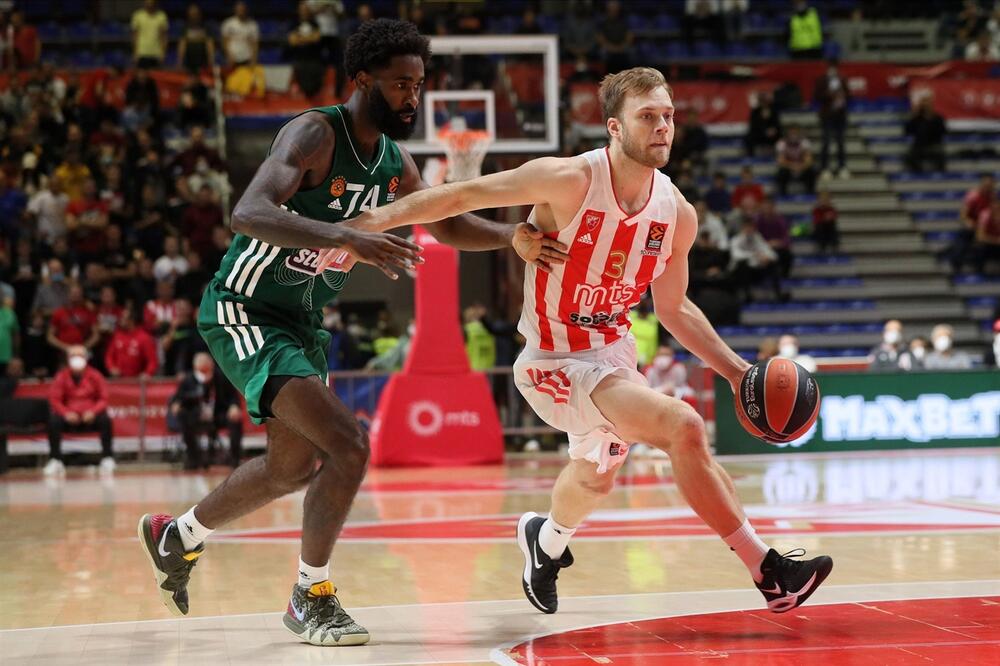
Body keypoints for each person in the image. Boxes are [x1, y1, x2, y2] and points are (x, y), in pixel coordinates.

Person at [342, 66, 833, 617]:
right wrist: (366, 223)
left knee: (594, 479)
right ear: (614, 128)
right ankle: (768, 571)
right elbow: (462, 194)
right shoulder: (568, 179)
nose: (663, 127)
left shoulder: (677, 214)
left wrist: (738, 371)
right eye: (647, 116)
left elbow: (674, 309)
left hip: (614, 358)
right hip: (552, 362)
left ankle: (546, 541)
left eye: (668, 116)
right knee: (684, 425)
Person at [137, 18, 557, 647]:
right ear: (362, 80)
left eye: (418, 85)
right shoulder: (315, 133)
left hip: (303, 322)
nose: (412, 97)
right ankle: (311, 595)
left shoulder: (394, 161)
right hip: (246, 309)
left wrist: (510, 237)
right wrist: (345, 236)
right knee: (350, 444)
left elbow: (443, 224)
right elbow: (248, 211)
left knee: (291, 468)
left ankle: (178, 536)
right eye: (400, 84)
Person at [45, 345, 115, 476]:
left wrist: (93, 411)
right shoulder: (61, 376)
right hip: (69, 416)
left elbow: (104, 398)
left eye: (80, 356)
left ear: (86, 358)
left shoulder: (95, 375)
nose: (77, 359)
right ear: (68, 359)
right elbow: (55, 399)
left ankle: (107, 458)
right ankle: (55, 459)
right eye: (73, 356)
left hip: (90, 416)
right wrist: (66, 413)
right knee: (53, 421)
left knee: (105, 420)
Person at [169, 352, 243, 468]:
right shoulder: (188, 379)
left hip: (217, 416)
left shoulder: (221, 377)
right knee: (184, 418)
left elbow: (233, 397)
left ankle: (235, 459)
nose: (204, 374)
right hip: (196, 416)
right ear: (195, 368)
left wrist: (234, 406)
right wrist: (176, 404)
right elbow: (177, 398)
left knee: (235, 420)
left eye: (207, 370)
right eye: (201, 370)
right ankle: (193, 459)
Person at [729, 218, 784, 302]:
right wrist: (754, 255)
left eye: (751, 227)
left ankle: (778, 294)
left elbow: (773, 255)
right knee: (742, 265)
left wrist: (767, 257)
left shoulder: (757, 238)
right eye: (747, 227)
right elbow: (736, 255)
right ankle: (747, 295)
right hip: (741, 272)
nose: (749, 230)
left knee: (773, 264)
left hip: (756, 270)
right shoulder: (736, 239)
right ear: (742, 228)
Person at [950, 173, 995, 273]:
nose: (988, 187)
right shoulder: (973, 196)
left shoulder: (993, 197)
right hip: (973, 227)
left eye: (990, 185)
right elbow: (963, 215)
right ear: (981, 184)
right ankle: (956, 264)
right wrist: (969, 223)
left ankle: (980, 267)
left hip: (986, 228)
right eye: (986, 185)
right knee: (964, 235)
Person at [813, 60, 849, 179]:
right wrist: (827, 94)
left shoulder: (842, 79)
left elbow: (849, 95)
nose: (833, 70)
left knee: (840, 142)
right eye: (830, 67)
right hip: (827, 116)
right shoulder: (822, 80)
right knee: (826, 142)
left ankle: (842, 167)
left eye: (834, 67)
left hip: (840, 115)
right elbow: (816, 96)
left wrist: (843, 95)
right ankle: (824, 168)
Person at [104, 309, 159, 378]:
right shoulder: (117, 336)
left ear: (131, 320)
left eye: (123, 318)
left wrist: (147, 373)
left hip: (136, 380)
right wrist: (111, 368)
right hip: (118, 379)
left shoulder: (144, 338)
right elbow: (109, 356)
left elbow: (152, 361)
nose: (120, 320)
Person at [904, 95, 947, 174]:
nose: (926, 106)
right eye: (924, 104)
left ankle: (940, 175)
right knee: (909, 156)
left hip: (934, 145)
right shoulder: (917, 118)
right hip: (919, 146)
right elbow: (907, 131)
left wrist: (930, 119)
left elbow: (943, 132)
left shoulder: (938, 118)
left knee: (940, 156)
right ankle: (917, 174)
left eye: (927, 103)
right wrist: (914, 115)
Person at [775, 125, 817, 196]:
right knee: (781, 173)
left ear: (799, 133)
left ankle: (810, 193)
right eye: (792, 133)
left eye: (795, 133)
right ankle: (783, 195)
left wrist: (801, 167)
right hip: (788, 168)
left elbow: (809, 160)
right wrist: (793, 166)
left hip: (802, 167)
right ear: (788, 134)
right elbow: (780, 161)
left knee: (811, 172)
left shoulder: (805, 142)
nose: (793, 135)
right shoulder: (782, 143)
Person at [131, 0, 169, 69]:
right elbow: (135, 36)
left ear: (155, 3)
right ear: (144, 3)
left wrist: (163, 53)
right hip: (141, 53)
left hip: (157, 54)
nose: (149, 5)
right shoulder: (138, 15)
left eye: (151, 3)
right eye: (147, 3)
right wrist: (135, 53)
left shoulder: (161, 16)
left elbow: (164, 37)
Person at [745, 91, 782, 157]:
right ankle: (751, 157)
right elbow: (753, 126)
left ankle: (778, 157)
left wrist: (773, 130)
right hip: (759, 134)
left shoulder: (773, 110)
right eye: (762, 100)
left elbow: (777, 124)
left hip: (772, 134)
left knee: (780, 139)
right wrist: (764, 131)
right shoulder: (755, 111)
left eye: (765, 100)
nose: (764, 102)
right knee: (749, 138)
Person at [971, 198, 1000, 274]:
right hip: (988, 244)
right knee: (979, 247)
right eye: (995, 205)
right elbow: (980, 236)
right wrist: (996, 240)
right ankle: (979, 271)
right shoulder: (985, 215)